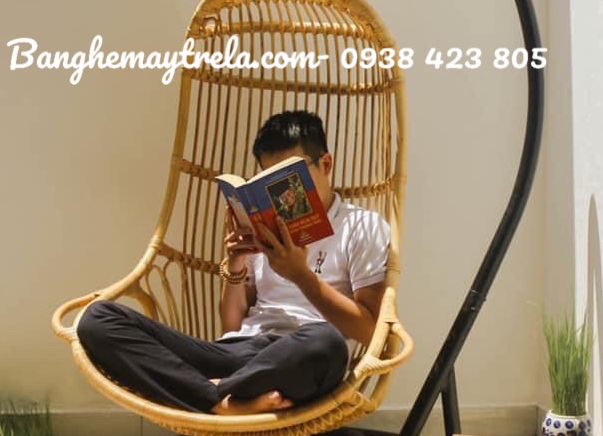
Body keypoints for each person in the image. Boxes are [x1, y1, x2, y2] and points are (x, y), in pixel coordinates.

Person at [76, 110, 391, 416]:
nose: (283, 193)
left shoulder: (362, 226)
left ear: (326, 164)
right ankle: (221, 402)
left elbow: (371, 333)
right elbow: (231, 325)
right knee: (97, 318)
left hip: (299, 360)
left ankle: (208, 392)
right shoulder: (265, 225)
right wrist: (236, 263)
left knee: (327, 343)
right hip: (237, 354)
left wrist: (301, 276)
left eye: (291, 178)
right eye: (271, 180)